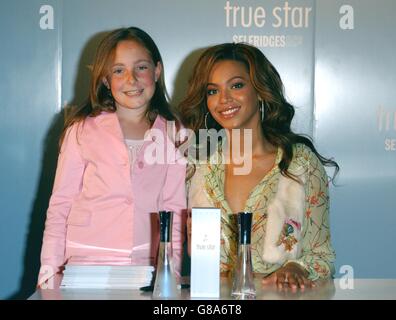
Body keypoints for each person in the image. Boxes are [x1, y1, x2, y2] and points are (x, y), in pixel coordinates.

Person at [179, 42, 339, 290]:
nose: (224, 99)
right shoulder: (196, 166)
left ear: (261, 91)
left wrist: (297, 267)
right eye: (212, 91)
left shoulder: (299, 164)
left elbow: (322, 256)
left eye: (237, 85)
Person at [38, 27, 186, 287]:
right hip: (84, 267)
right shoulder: (82, 130)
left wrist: (170, 272)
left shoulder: (176, 134)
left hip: (146, 268)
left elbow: (174, 210)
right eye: (119, 70)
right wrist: (49, 272)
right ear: (106, 80)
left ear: (157, 71)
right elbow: (60, 205)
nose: (131, 79)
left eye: (141, 67)